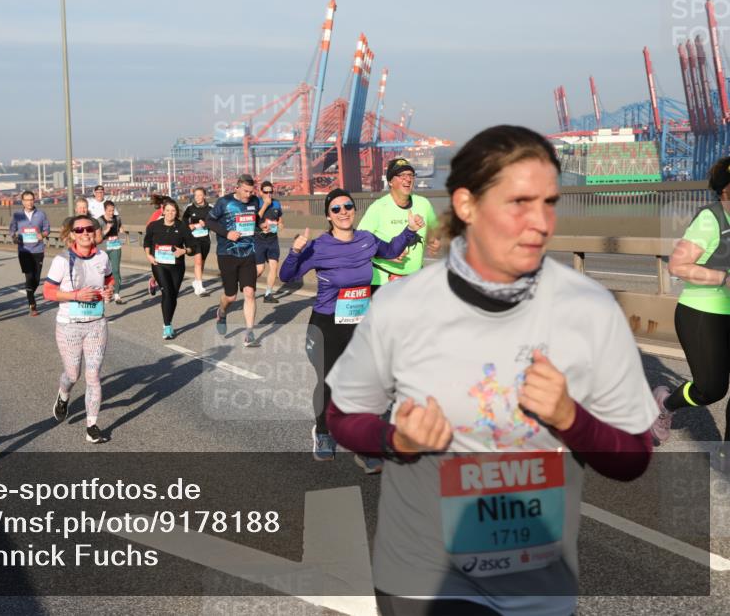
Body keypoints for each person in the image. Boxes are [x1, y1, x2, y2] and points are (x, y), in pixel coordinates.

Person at [325, 125, 658, 616]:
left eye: (549, 203)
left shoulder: (590, 308)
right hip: (425, 579)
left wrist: (571, 418)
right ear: (466, 205)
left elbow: (633, 457)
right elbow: (342, 416)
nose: (540, 223)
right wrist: (395, 439)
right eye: (519, 203)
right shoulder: (402, 305)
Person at [280, 189, 424, 469]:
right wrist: (295, 251)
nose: (343, 212)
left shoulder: (366, 240)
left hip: (360, 324)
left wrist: (409, 230)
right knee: (329, 382)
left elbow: (391, 251)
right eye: (336, 209)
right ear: (328, 216)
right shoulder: (319, 247)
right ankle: (323, 432)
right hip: (327, 325)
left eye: (348, 206)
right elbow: (287, 276)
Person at [651, 156, 730, 465]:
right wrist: (722, 278)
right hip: (703, 312)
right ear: (724, 190)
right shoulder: (711, 220)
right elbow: (678, 265)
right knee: (710, 389)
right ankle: (665, 404)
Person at [42, 215, 115, 444]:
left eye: (89, 229)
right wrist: (76, 295)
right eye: (79, 230)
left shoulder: (102, 257)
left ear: (95, 231)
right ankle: (64, 395)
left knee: (93, 376)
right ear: (72, 234)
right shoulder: (62, 260)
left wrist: (109, 291)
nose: (85, 233)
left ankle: (92, 426)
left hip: (96, 324)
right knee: (73, 374)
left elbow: (110, 280)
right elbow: (48, 292)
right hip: (69, 325)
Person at [359, 158, 441, 292]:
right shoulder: (378, 207)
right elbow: (359, 243)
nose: (408, 179)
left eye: (410, 175)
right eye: (402, 175)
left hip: (415, 281)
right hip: (383, 282)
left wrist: (435, 241)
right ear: (390, 181)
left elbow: (435, 229)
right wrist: (386, 254)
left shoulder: (423, 204)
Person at [206, 175, 261, 347]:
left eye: (251, 191)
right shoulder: (224, 202)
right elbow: (209, 221)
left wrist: (262, 226)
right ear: (236, 188)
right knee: (231, 296)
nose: (248, 195)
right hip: (227, 253)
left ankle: (249, 334)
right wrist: (226, 233)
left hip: (248, 253)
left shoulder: (255, 201)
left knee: (250, 293)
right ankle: (222, 312)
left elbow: (255, 220)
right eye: (245, 191)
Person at [144, 198, 195, 339]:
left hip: (177, 266)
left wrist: (183, 251)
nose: (170, 213)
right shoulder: (154, 226)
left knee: (173, 295)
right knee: (167, 292)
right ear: (163, 211)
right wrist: (148, 255)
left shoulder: (182, 226)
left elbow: (193, 246)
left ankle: (169, 322)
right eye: (167, 210)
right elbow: (147, 241)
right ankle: (167, 326)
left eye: (173, 211)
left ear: (176, 212)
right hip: (159, 265)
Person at [9, 190, 51, 316]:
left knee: (36, 279)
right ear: (22, 201)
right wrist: (14, 237)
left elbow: (47, 229)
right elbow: (12, 229)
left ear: (34, 200)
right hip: (24, 251)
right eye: (26, 200)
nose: (29, 202)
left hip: (38, 250)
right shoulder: (17, 215)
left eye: (31, 199)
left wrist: (42, 235)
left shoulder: (41, 214)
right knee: (29, 276)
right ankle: (32, 304)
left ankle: (29, 292)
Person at [255, 180, 284, 303]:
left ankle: (268, 294)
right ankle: (247, 284)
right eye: (266, 192)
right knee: (260, 269)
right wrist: (265, 205)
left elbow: (280, 219)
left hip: (272, 239)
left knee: (274, 267)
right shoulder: (256, 202)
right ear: (261, 192)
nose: (268, 194)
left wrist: (280, 224)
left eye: (270, 192)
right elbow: (255, 218)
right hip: (259, 239)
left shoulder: (276, 203)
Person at [182, 187, 213, 297]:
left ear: (204, 195)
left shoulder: (210, 208)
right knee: (198, 261)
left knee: (202, 262)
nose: (198, 197)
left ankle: (196, 281)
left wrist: (206, 223)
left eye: (200, 195)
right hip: (193, 238)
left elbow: (215, 222)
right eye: (196, 195)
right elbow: (183, 221)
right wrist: (189, 225)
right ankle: (199, 288)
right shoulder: (190, 207)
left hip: (205, 238)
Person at [98, 200, 126, 304]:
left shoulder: (117, 218)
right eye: (109, 211)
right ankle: (106, 293)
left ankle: (117, 294)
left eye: (113, 210)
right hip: (103, 248)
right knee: (103, 272)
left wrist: (122, 230)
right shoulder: (100, 221)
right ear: (105, 210)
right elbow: (98, 236)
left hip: (115, 247)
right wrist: (107, 229)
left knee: (115, 270)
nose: (111, 213)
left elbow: (120, 227)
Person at [143, 194, 171, 297]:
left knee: (168, 267)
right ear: (162, 206)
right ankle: (154, 280)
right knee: (160, 266)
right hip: (156, 245)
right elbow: (148, 227)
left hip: (169, 245)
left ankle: (161, 284)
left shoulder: (173, 213)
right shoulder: (157, 214)